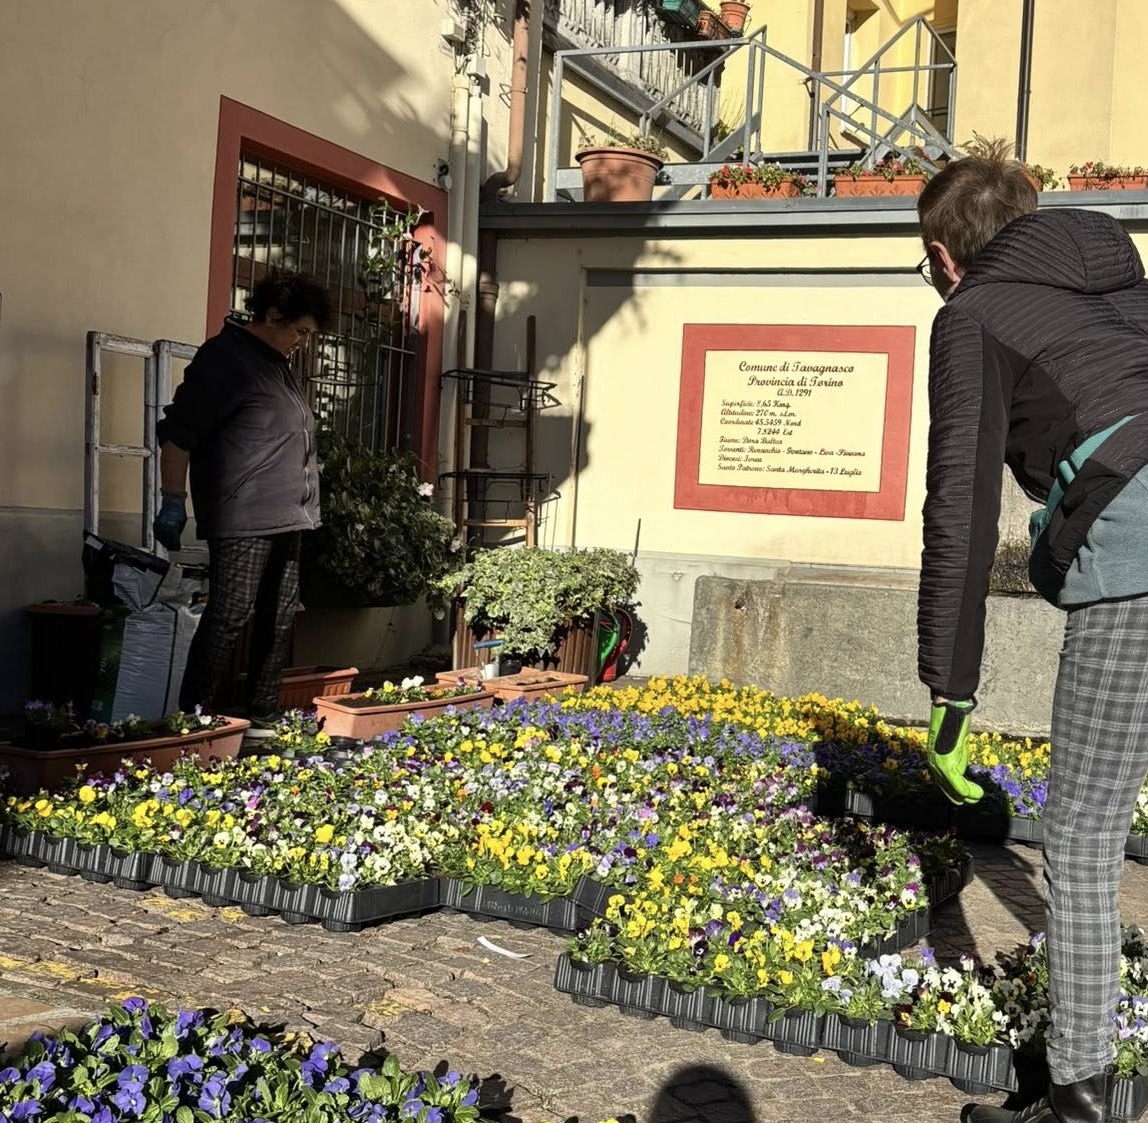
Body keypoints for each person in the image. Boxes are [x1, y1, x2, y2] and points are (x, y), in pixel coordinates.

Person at [917, 139, 1148, 1123]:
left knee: (1086, 838)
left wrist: (949, 686)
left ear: (942, 251)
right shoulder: (1124, 283)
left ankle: (1082, 1102)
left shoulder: (969, 314)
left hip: (1136, 538)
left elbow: (960, 509)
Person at [153, 271, 334, 728]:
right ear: (272, 316)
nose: (303, 342)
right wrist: (172, 500)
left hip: (289, 516)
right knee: (229, 616)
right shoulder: (225, 359)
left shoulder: (276, 364)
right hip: (244, 515)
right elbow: (178, 435)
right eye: (300, 331)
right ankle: (195, 719)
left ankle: (262, 713)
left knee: (278, 618)